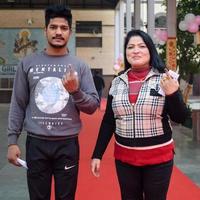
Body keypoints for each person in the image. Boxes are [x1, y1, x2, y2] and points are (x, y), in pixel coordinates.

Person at [7, 4, 99, 200]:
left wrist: (76, 92)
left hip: (67, 145)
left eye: (63, 28)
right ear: (45, 30)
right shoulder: (28, 63)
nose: (58, 32)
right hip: (36, 143)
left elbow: (92, 106)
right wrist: (12, 141)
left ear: (70, 32)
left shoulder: (80, 66)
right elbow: (18, 103)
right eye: (53, 27)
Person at [91, 29, 190, 200]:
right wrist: (97, 154)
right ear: (126, 52)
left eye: (141, 46)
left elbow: (180, 117)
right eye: (130, 47)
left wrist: (173, 94)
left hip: (158, 159)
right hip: (125, 159)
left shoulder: (166, 78)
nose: (135, 50)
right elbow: (109, 121)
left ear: (150, 50)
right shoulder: (117, 82)